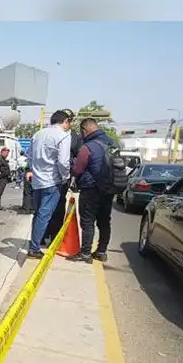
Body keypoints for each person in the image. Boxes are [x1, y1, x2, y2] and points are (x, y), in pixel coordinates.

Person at [67, 118, 118, 263]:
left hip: (91, 189)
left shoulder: (88, 146)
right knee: (104, 221)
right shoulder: (113, 143)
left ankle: (85, 254)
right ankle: (101, 252)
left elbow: (78, 169)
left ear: (85, 130)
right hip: (108, 188)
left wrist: (72, 171)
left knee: (87, 221)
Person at [25, 110, 73, 258]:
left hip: (38, 181)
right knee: (44, 215)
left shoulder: (38, 134)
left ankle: (35, 243)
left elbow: (30, 156)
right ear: (65, 121)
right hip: (52, 181)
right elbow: (63, 162)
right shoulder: (63, 136)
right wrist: (65, 177)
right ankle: (34, 248)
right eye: (69, 122)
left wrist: (34, 171)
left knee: (38, 214)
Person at [43, 109, 83, 247]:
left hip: (61, 177)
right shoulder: (48, 133)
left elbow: (79, 157)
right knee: (44, 208)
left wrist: (71, 177)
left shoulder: (74, 137)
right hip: (49, 175)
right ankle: (43, 235)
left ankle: (54, 237)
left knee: (58, 206)